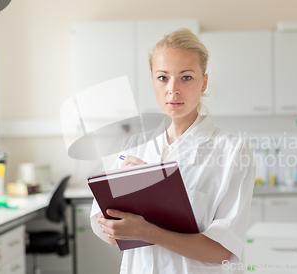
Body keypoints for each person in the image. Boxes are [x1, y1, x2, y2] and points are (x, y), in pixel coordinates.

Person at [89, 28, 255, 274]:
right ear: (153, 81)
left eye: (186, 77)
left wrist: (146, 230)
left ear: (204, 82)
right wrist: (122, 205)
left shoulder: (232, 151)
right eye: (163, 77)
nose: (173, 89)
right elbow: (111, 233)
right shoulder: (133, 147)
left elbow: (223, 251)